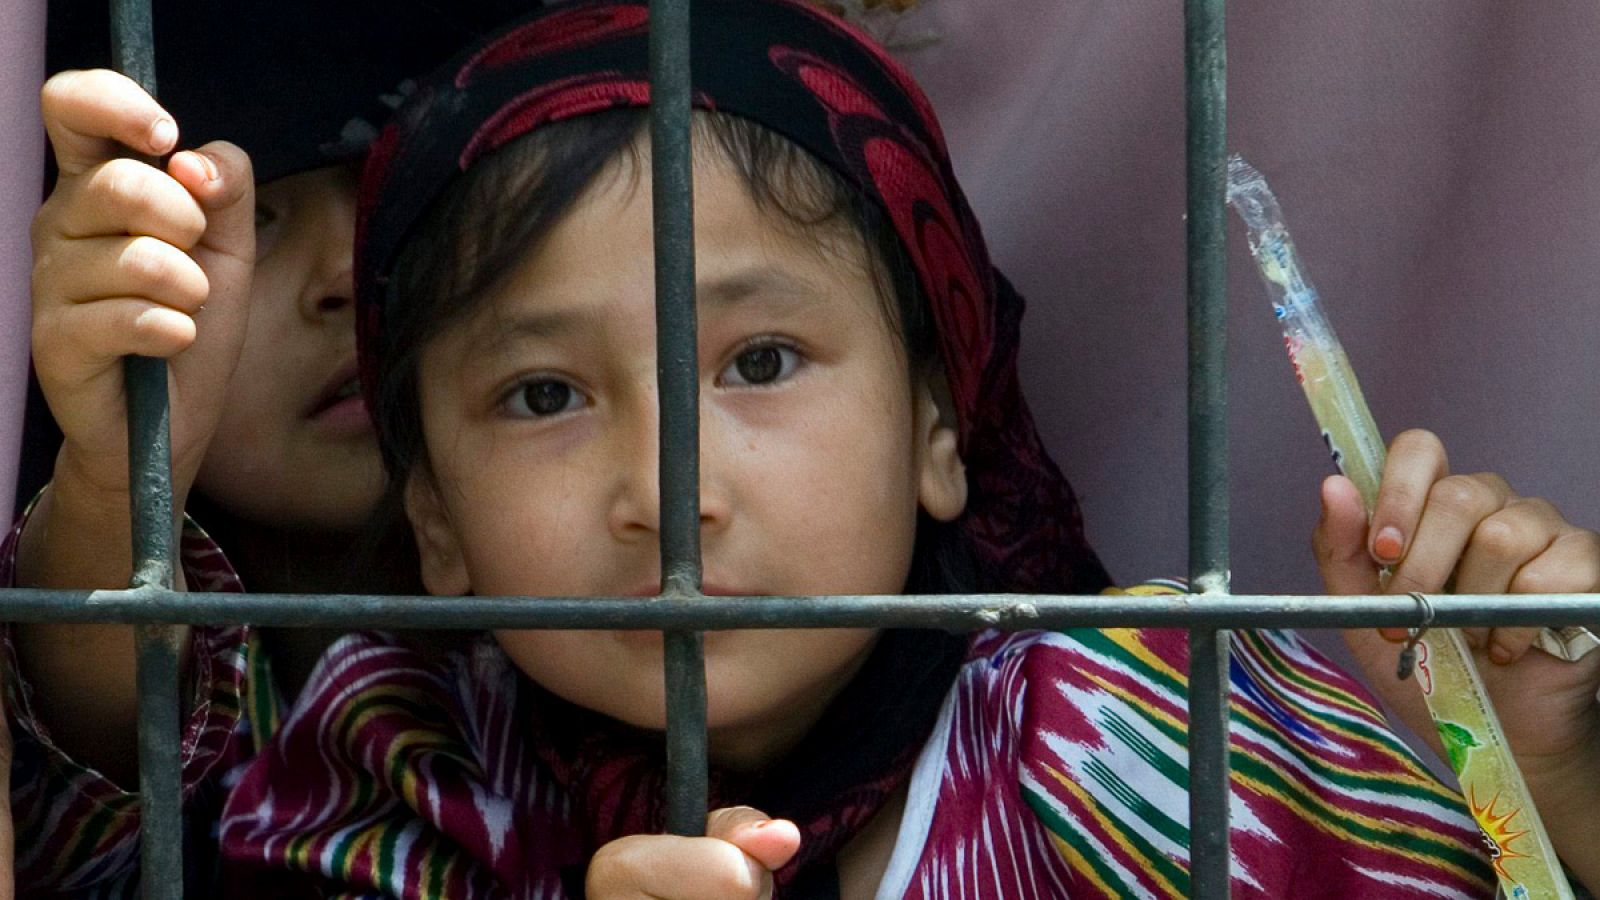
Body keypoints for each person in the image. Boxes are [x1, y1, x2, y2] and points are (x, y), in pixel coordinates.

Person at [211, 2, 1600, 897]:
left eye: (760, 364)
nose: (666, 493)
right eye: (540, 396)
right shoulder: (394, 765)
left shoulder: (1131, 735)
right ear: (435, 521)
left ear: (944, 427)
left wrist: (1556, 793)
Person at [3, 2, 520, 893]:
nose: (343, 276)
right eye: (255, 218)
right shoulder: (163, 698)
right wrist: (115, 478)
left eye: (378, 183)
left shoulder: (605, 656)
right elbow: (74, 770)